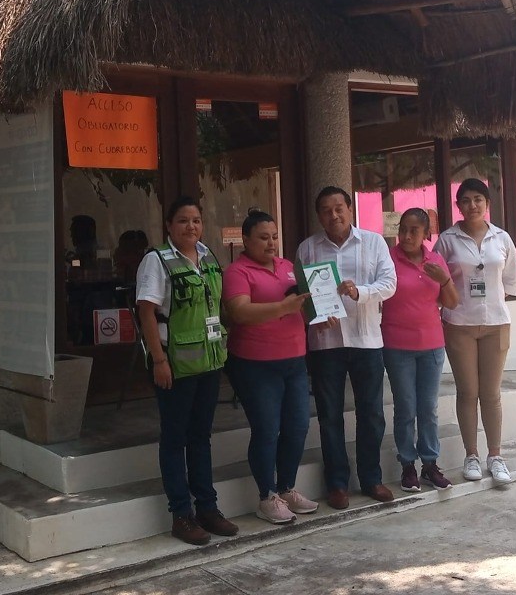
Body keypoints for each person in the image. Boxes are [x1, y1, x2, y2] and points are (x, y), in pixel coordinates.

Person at [135, 197, 237, 545]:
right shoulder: (156, 260)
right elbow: (147, 312)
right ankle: (181, 514)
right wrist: (159, 361)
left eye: (196, 220)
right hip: (175, 367)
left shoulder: (207, 257)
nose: (190, 226)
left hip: (208, 363)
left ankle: (207, 508)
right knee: (175, 439)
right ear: (169, 225)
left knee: (200, 437)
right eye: (182, 220)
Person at [297, 186, 397, 509]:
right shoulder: (308, 249)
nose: (334, 215)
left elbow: (389, 284)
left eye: (339, 208)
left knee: (372, 413)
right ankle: (337, 484)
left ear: (350, 209)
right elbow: (301, 295)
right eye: (326, 210)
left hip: (366, 339)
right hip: (326, 343)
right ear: (319, 216)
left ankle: (371, 478)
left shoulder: (374, 242)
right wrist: (313, 317)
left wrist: (359, 293)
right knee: (329, 415)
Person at [221, 210, 316, 524]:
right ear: (246, 240)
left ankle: (287, 488)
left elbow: (303, 307)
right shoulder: (237, 272)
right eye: (263, 237)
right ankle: (267, 495)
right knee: (266, 429)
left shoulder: (288, 267)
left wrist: (320, 314)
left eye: (274, 236)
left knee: (298, 426)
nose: (271, 243)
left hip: (294, 360)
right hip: (255, 364)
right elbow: (239, 312)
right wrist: (282, 308)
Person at [433, 178, 516, 485]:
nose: (472, 205)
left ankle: (495, 456)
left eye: (478, 199)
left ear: (487, 204)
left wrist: (493, 298)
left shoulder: (501, 237)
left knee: (491, 393)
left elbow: (513, 277)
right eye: (466, 200)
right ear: (458, 206)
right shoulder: (447, 240)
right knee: (468, 392)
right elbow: (436, 280)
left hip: (496, 323)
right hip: (459, 324)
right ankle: (471, 455)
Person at [382, 207, 459, 492]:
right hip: (397, 346)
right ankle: (407, 465)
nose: (406, 236)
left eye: (414, 230)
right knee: (405, 408)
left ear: (427, 233)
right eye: (402, 229)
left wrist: (444, 279)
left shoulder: (436, 261)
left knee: (428, 408)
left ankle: (430, 464)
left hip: (432, 346)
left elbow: (451, 302)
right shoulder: (388, 259)